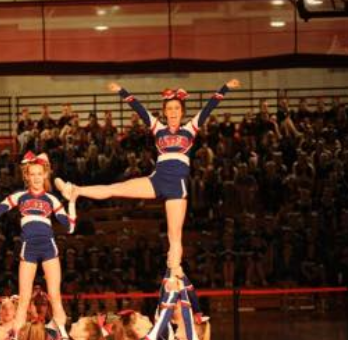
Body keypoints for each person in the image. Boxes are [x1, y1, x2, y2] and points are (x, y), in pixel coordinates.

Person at [55, 79, 241, 278]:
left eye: (176, 108)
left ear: (182, 111)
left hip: (176, 187)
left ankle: (175, 273)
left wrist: (225, 87)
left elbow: (209, 106)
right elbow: (140, 109)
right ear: (164, 111)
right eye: (169, 108)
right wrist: (121, 91)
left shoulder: (190, 129)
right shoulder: (158, 128)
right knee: (115, 188)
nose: (173, 112)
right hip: (157, 180)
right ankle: (75, 191)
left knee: (174, 235)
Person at [0, 152, 76, 330]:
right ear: (26, 176)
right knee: (23, 299)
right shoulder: (20, 196)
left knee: (55, 296)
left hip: (48, 247)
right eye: (33, 174)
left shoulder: (51, 199)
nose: (36, 178)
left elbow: (70, 227)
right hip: (28, 247)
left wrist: (72, 202)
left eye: (40, 174)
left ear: (45, 174)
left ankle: (63, 338)